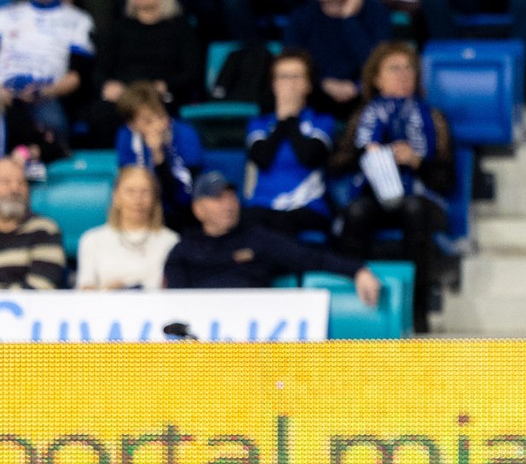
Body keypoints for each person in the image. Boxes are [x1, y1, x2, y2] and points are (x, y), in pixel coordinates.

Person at [330, 41, 452, 330]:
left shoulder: (432, 118)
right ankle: (354, 307)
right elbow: (335, 165)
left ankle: (416, 309)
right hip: (371, 199)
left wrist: (416, 161)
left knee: (413, 210)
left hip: (420, 198)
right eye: (394, 69)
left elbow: (447, 181)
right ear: (376, 79)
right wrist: (367, 154)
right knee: (357, 212)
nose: (403, 75)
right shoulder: (363, 117)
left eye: (409, 69)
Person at [164, 170, 380, 302]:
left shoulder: (257, 238)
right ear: (198, 209)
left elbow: (309, 257)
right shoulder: (183, 250)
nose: (228, 205)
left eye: (231, 197)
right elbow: (177, 304)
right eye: (218, 199)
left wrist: (357, 270)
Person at [90, 0, 202, 140]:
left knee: (160, 116)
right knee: (100, 113)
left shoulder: (182, 29)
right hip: (124, 98)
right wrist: (107, 86)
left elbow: (192, 74)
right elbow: (100, 71)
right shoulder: (117, 28)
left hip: (162, 97)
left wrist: (165, 86)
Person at [0, 0, 94, 164]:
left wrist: (42, 92)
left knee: (51, 128)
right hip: (3, 92)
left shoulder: (79, 20)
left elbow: (77, 76)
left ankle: (25, 159)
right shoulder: (4, 16)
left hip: (46, 95)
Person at [242, 48, 336, 238]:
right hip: (261, 205)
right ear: (274, 84)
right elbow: (262, 159)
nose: (290, 84)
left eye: (297, 77)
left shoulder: (322, 122)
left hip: (308, 206)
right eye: (284, 77)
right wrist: (282, 122)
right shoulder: (259, 124)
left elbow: (308, 157)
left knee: (281, 225)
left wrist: (291, 118)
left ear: (308, 85)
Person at [284, 0, 392, 115]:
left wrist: (349, 19)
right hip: (315, 96)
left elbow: (377, 63)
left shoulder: (377, 13)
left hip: (365, 97)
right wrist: (323, 83)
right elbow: (292, 62)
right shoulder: (301, 17)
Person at [75, 164, 180, 289]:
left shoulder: (171, 241)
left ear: (154, 198)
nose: (137, 200)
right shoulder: (92, 240)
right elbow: (85, 288)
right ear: (116, 197)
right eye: (130, 191)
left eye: (145, 192)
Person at [115, 82, 202, 227]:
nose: (158, 125)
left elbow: (183, 196)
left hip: (182, 212)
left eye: (161, 116)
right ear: (132, 125)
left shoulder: (186, 134)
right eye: (148, 121)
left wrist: (158, 156)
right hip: (144, 209)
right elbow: (128, 180)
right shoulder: (125, 136)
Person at [0, 157, 66, 289]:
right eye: (6, 182)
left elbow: (42, 284)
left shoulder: (44, 229)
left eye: (21, 183)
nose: (15, 189)